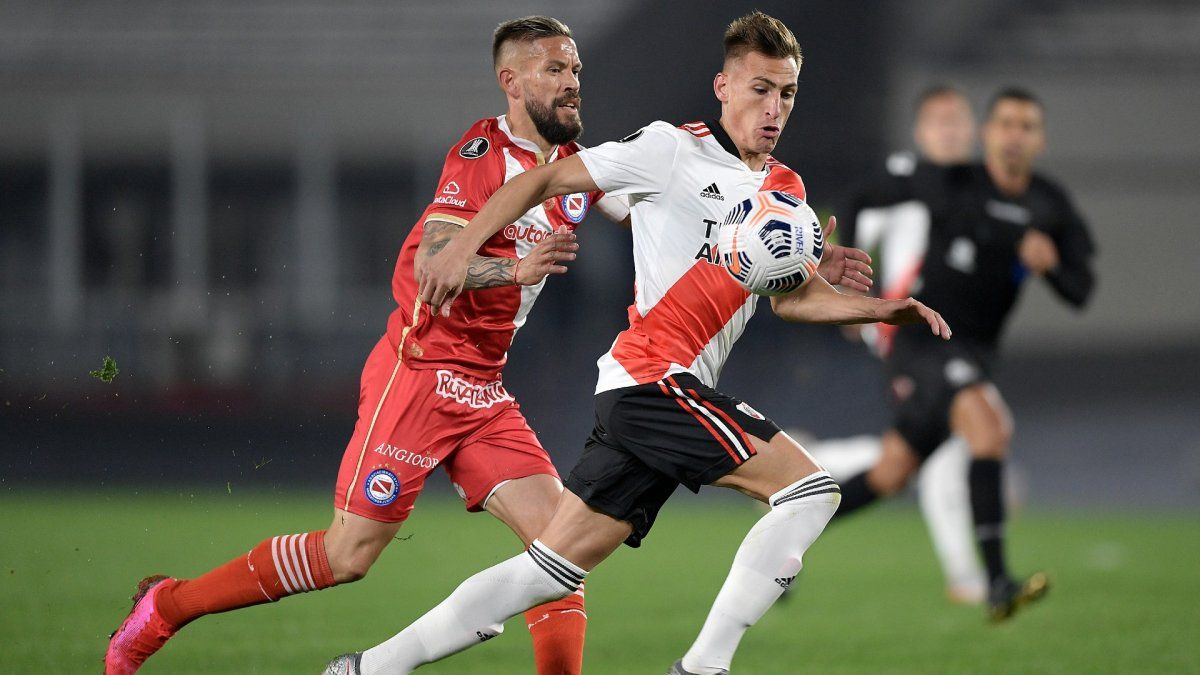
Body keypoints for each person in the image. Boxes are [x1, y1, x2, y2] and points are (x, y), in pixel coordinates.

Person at [324, 11, 950, 675]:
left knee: (546, 571)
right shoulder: (669, 150)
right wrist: (464, 248)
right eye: (760, 88)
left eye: (787, 93)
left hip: (641, 391)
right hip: (656, 378)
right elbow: (540, 180)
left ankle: (368, 668)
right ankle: (703, 668)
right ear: (723, 86)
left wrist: (876, 306)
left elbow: (792, 300)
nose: (774, 107)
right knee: (810, 491)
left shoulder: (786, 192)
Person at [105, 16, 631, 674]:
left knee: (561, 556)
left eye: (575, 69)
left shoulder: (573, 170)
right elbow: (435, 267)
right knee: (345, 556)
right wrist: (512, 269)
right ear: (511, 81)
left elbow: (650, 203)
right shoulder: (483, 155)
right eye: (554, 70)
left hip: (483, 388)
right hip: (418, 375)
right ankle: (167, 605)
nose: (571, 82)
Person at [830, 86, 1096, 621]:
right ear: (986, 133)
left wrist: (1052, 268)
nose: (1014, 135)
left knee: (891, 473)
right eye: (1004, 123)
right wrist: (849, 293)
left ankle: (791, 519)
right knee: (990, 426)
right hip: (921, 337)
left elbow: (1081, 291)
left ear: (1039, 139)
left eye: (1026, 126)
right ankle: (997, 582)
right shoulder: (951, 181)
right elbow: (859, 198)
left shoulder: (1049, 203)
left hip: (974, 351)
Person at [808, 84, 988, 604]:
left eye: (958, 122)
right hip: (906, 333)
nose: (952, 132)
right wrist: (846, 295)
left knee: (910, 455)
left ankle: (816, 468)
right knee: (943, 450)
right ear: (921, 130)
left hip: (949, 338)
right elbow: (849, 227)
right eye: (941, 122)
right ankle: (965, 576)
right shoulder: (902, 180)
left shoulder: (974, 187)